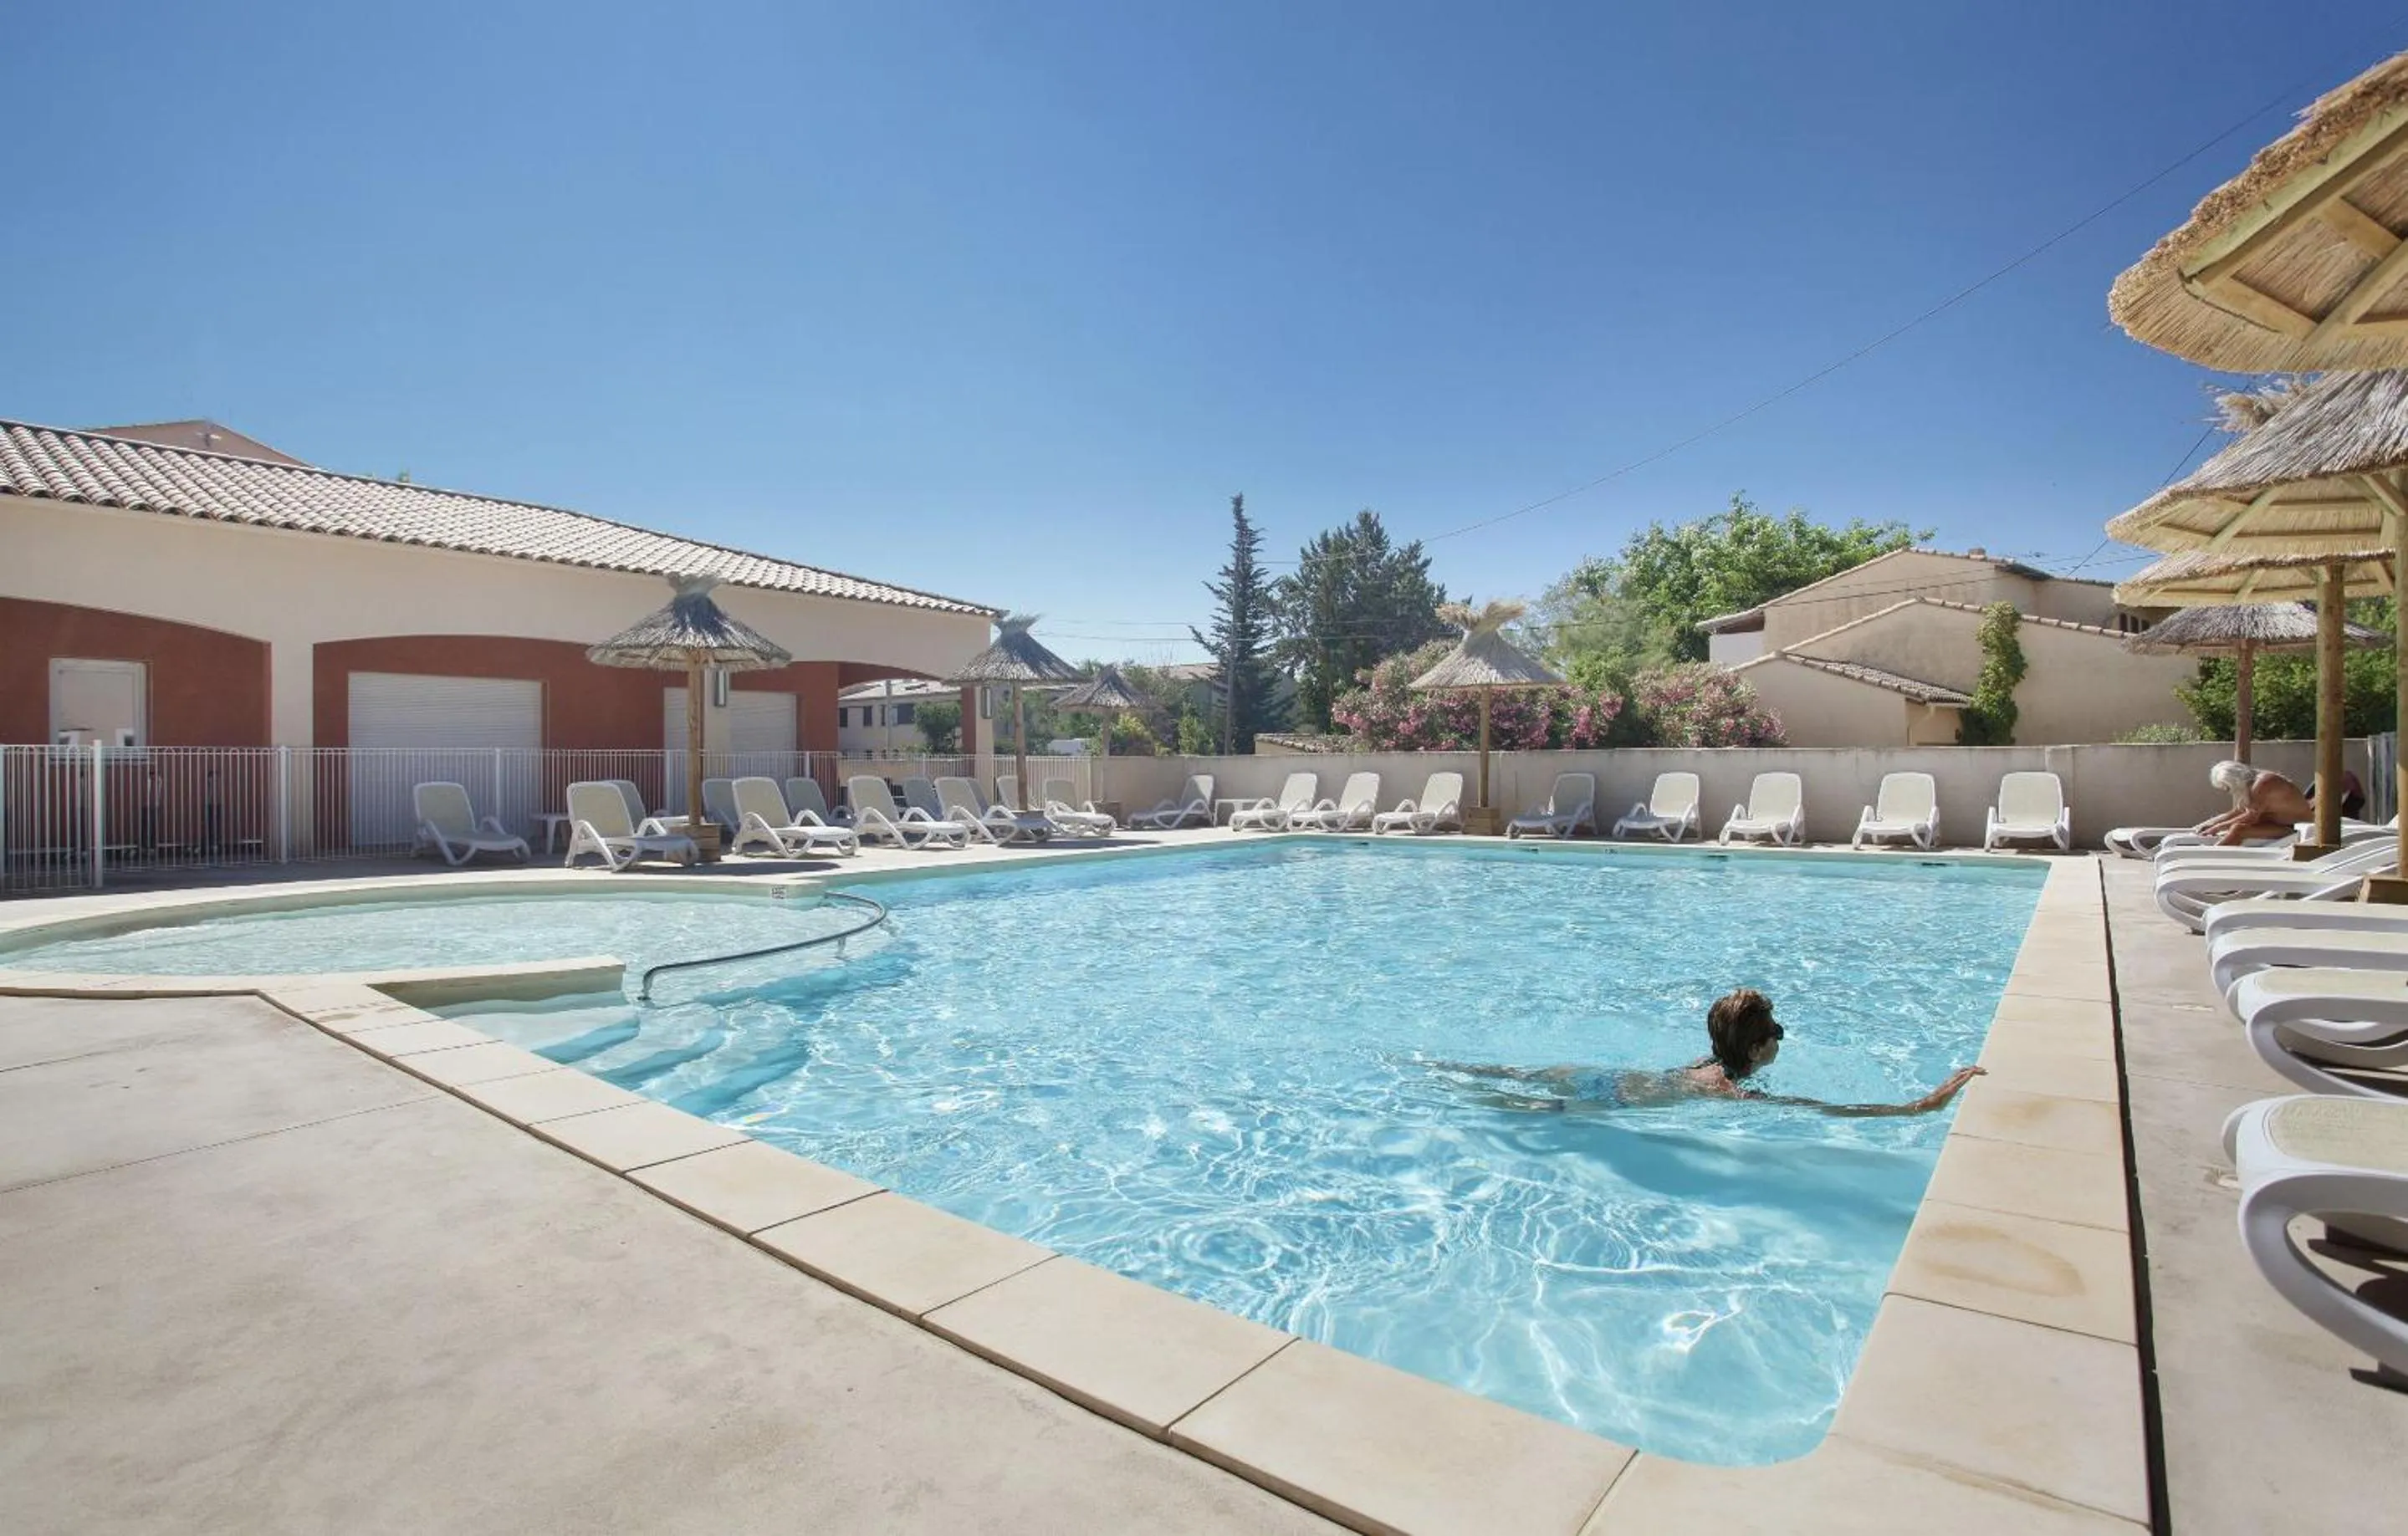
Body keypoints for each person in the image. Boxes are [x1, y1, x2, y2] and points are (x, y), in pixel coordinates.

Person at [1431, 988, 1984, 1118]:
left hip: (1601, 1077)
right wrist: (1920, 1105)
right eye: (1778, 1032)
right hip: (1608, 1101)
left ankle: (1435, 1072)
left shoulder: (1706, 1062)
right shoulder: (1728, 1087)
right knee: (1498, 1103)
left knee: (1495, 1076)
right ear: (1755, 1046)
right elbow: (1821, 1111)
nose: (1782, 1036)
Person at [2193, 760, 2313, 846]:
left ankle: (2215, 857)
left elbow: (2251, 817)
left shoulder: (2264, 783)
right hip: (2279, 824)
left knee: (2238, 830)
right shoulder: (2253, 784)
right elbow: (2239, 811)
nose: (2228, 792)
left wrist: (2217, 827)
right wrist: (2212, 824)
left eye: (2227, 788)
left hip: (2296, 828)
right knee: (2233, 828)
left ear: (2234, 781)